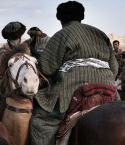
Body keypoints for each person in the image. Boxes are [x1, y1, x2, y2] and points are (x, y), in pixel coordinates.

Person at [29, 1, 119, 145]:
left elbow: (46, 68)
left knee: (41, 121)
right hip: (107, 87)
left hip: (72, 88)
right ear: (81, 16)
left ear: (60, 18)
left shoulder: (61, 35)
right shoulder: (100, 33)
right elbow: (114, 68)